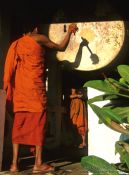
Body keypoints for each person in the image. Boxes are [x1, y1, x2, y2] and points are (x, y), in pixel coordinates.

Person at [3, 23, 78, 173]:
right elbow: (60, 47)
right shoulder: (39, 38)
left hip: (21, 91)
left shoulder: (16, 44)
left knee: (19, 126)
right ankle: (38, 164)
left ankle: (14, 164)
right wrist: (70, 31)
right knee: (39, 125)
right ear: (36, 28)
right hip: (34, 91)